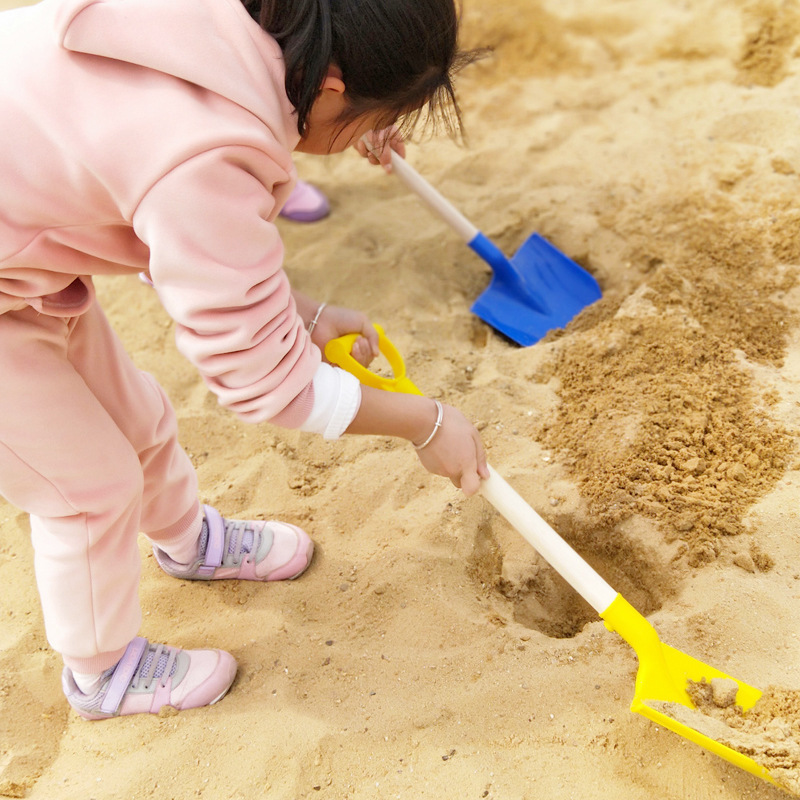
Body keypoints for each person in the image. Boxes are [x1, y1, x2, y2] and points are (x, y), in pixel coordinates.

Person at [0, 0, 488, 720]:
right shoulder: (201, 158)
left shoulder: (234, 22)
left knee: (138, 418)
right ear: (328, 83)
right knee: (86, 489)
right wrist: (424, 422)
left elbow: (185, 233)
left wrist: (310, 314)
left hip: (24, 257)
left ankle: (186, 540)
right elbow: (262, 380)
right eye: (376, 110)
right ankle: (102, 672)